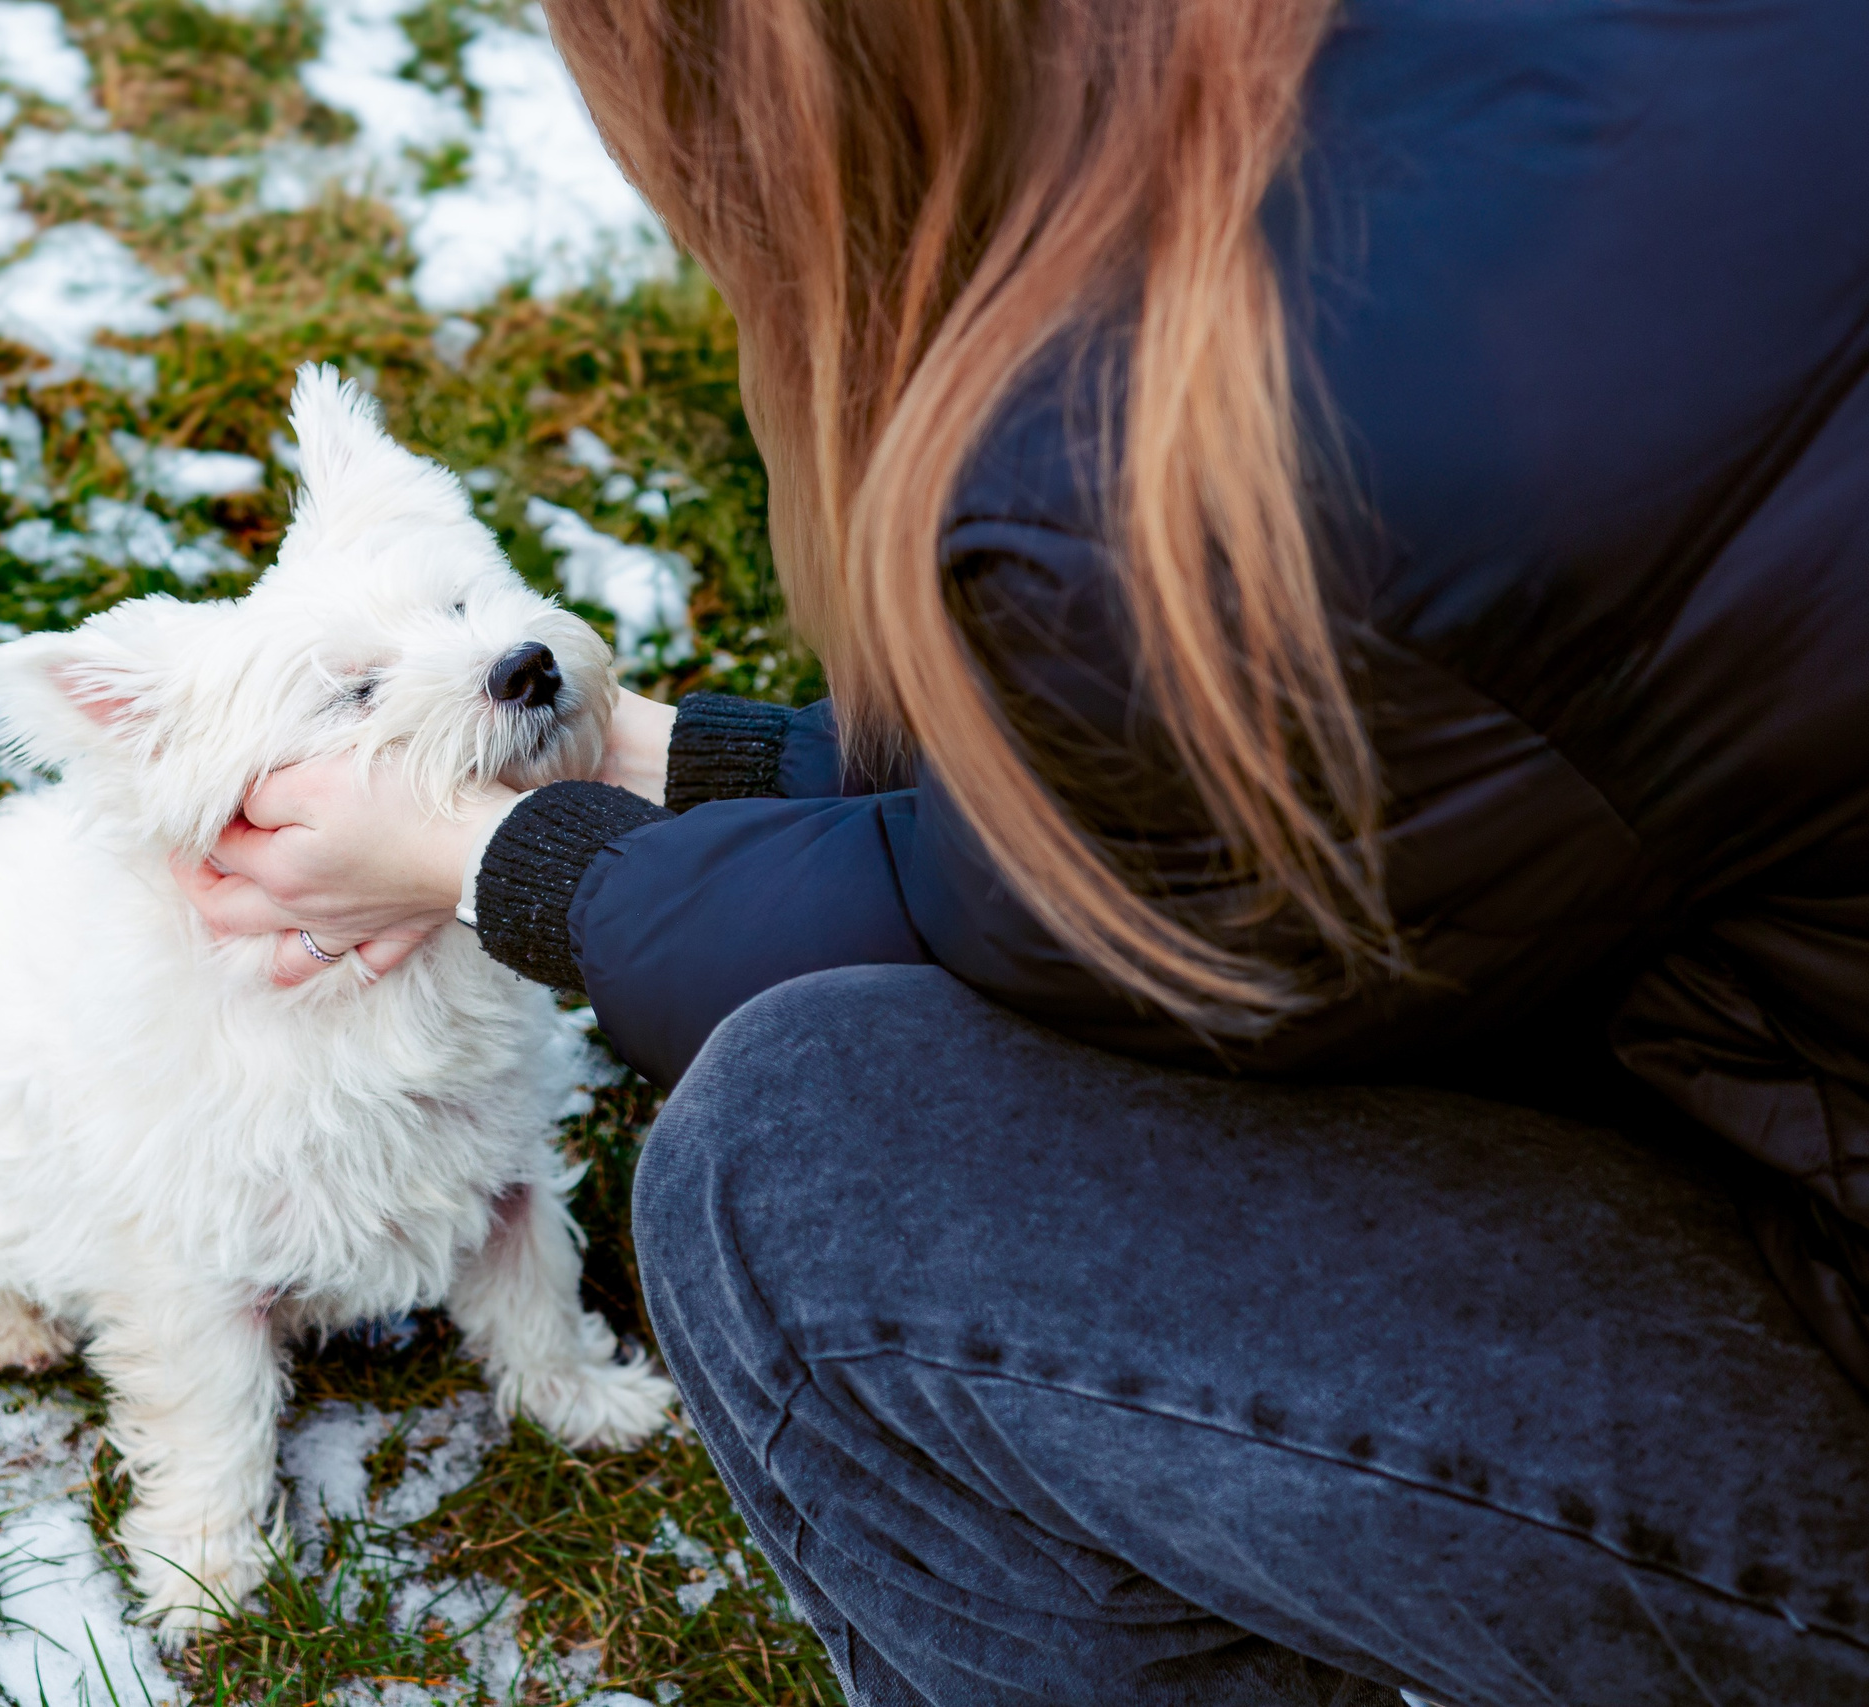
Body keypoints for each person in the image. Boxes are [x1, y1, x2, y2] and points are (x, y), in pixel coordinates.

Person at [176, 1, 1869, 1701]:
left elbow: (1102, 937)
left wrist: (508, 864)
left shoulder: (1211, 440)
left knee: (804, 1178)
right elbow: (1350, 788)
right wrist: (694, 756)